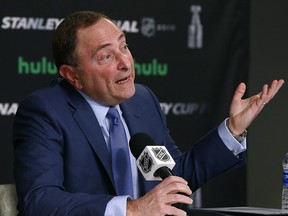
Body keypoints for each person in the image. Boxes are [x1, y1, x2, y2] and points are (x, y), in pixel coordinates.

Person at [13, 10, 284, 216]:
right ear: (72, 76)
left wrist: (233, 129)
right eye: (106, 56)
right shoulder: (45, 111)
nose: (124, 62)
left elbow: (176, 176)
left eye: (124, 46)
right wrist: (132, 209)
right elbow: (40, 200)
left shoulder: (141, 100)